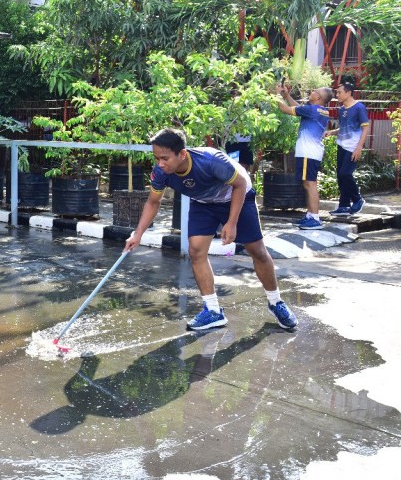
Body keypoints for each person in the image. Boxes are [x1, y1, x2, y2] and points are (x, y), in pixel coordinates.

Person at [124, 128, 297, 332]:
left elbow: (240, 185)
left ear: (182, 154)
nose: (160, 163)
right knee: (196, 250)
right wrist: (139, 233)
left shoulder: (210, 160)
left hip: (236, 195)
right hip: (203, 203)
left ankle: (276, 302)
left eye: (164, 158)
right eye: (156, 158)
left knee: (257, 250)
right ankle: (213, 310)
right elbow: (153, 202)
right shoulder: (161, 172)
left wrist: (231, 223)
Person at [276, 81, 333, 230]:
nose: (312, 92)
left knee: (310, 184)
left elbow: (286, 109)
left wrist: (275, 95)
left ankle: (314, 217)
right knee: (307, 183)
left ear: (319, 97)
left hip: (308, 152)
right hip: (310, 152)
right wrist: (286, 95)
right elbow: (298, 108)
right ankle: (310, 215)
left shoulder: (312, 110)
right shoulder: (318, 110)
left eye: (315, 91)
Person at [326, 78, 370, 216]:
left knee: (345, 173)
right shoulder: (341, 109)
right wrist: (332, 132)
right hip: (341, 146)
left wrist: (359, 148)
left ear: (348, 93)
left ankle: (358, 199)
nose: (336, 95)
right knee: (340, 176)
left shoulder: (359, 107)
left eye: (339, 92)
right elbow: (344, 128)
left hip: (352, 147)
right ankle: (344, 206)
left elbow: (366, 128)